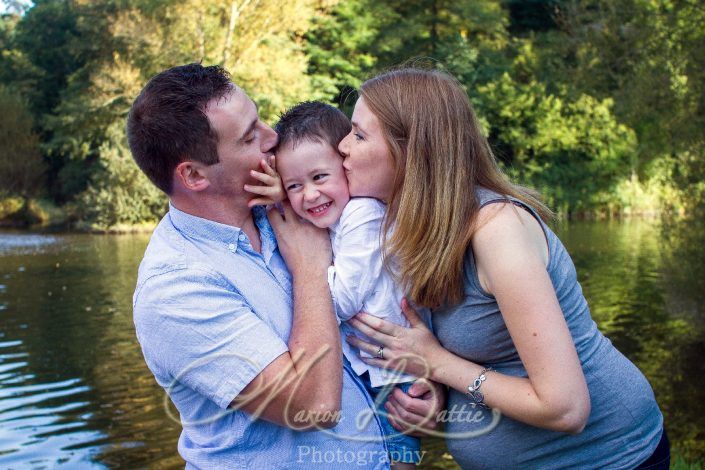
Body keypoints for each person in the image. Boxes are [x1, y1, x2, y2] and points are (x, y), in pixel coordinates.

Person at [339, 67, 670, 469]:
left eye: (358, 134)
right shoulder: (404, 229)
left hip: (611, 459)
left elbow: (565, 408)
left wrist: (437, 363)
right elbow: (473, 365)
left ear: (410, 150)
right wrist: (434, 405)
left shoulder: (497, 231)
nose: (342, 146)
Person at [126, 63, 442, 469]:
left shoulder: (292, 205)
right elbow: (313, 406)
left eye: (258, 120)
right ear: (193, 175)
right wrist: (310, 269)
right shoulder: (175, 289)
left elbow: (386, 280)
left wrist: (427, 387)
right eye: (249, 137)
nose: (272, 139)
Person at [244, 101, 429, 467]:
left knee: (398, 458)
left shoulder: (363, 216)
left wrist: (308, 267)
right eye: (294, 185)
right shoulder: (333, 218)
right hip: (370, 369)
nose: (309, 195)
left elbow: (342, 301)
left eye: (319, 177)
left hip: (391, 377)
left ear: (345, 167)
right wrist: (283, 199)